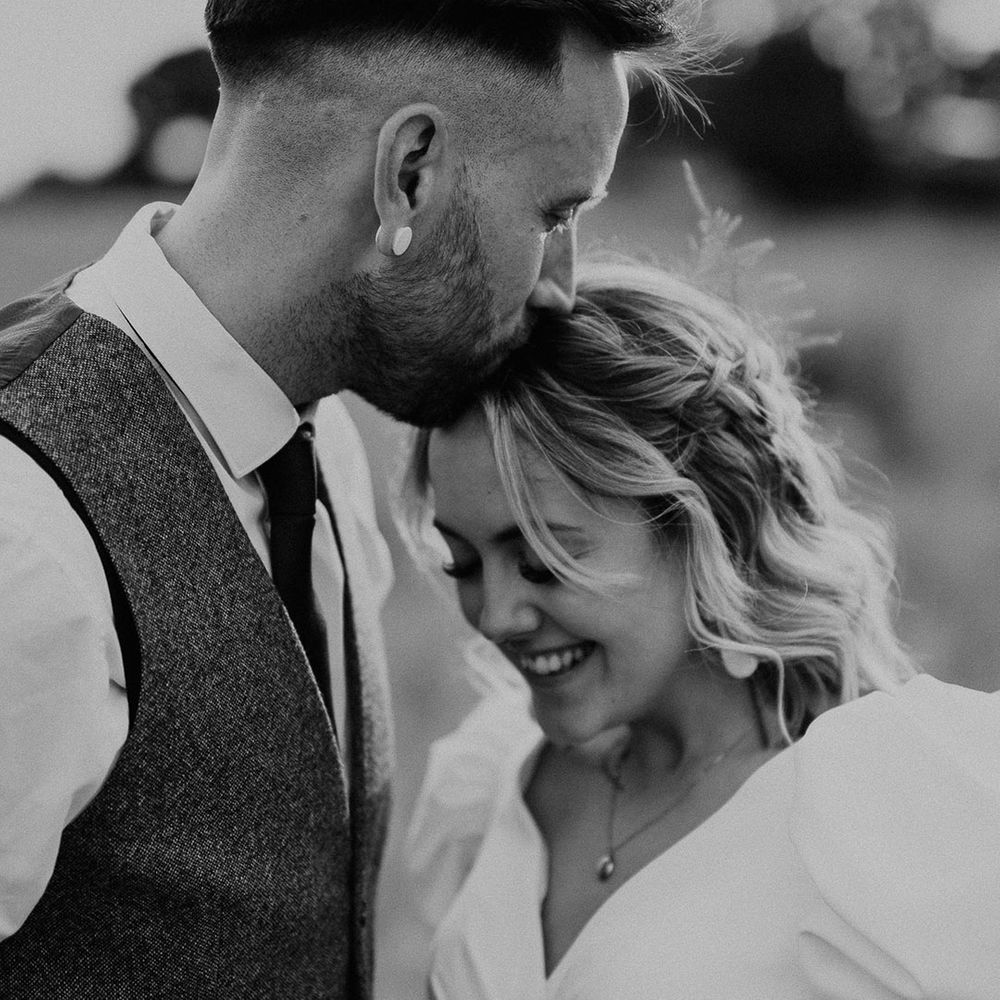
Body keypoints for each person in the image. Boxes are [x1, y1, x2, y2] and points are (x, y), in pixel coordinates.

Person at [0, 2, 700, 996]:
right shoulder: (23, 537)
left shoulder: (314, 435)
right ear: (408, 171)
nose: (561, 286)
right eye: (553, 215)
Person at [403, 253, 1000, 997]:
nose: (494, 616)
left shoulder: (884, 823)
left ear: (702, 531)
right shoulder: (492, 782)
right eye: (462, 563)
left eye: (541, 561)